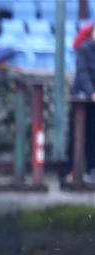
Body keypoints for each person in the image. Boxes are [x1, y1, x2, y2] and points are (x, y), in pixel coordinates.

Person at [67, 25, 95, 181]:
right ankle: (72, 171)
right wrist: (91, 93)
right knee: (77, 136)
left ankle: (92, 169)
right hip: (82, 98)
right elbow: (83, 74)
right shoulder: (85, 49)